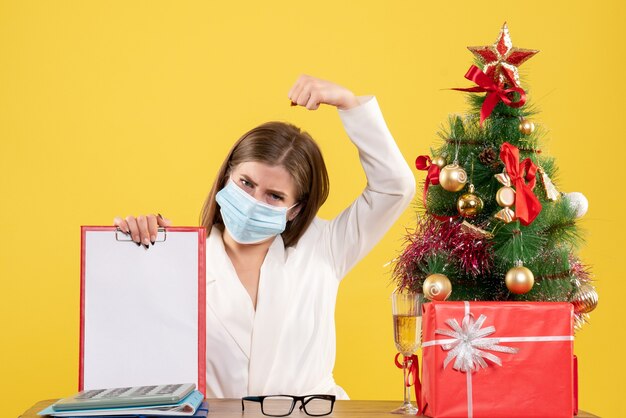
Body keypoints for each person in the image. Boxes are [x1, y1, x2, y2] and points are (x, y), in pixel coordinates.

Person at [114, 75, 416, 399]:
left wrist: (349, 104)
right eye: (246, 183)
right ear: (227, 175)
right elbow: (135, 347)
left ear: (295, 210)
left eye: (274, 196)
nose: (253, 202)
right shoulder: (183, 258)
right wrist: (140, 248)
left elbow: (394, 188)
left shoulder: (325, 247)